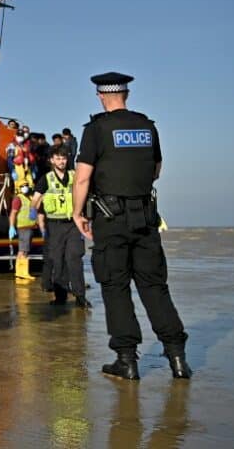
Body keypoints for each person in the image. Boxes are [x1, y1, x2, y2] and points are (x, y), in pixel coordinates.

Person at [72, 72, 190, 380]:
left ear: (101, 96)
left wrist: (77, 212)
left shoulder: (96, 129)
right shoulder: (147, 126)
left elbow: (83, 177)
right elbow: (156, 169)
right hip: (145, 216)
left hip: (110, 218)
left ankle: (127, 360)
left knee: (115, 286)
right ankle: (177, 358)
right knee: (154, 286)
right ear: (126, 94)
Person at [32, 146, 90, 307]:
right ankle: (60, 297)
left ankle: (80, 297)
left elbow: (85, 191)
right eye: (57, 158)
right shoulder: (46, 179)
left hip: (73, 224)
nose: (61, 161)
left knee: (74, 259)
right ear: (51, 160)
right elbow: (34, 200)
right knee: (58, 262)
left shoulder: (74, 176)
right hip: (54, 226)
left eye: (63, 158)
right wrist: (36, 208)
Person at [8, 182, 41, 282]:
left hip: (29, 227)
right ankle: (22, 272)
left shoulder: (29, 198)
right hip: (23, 228)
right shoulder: (18, 199)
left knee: (24, 249)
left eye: (26, 185)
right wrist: (11, 226)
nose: (25, 187)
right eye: (22, 186)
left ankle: (20, 272)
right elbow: (13, 213)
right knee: (23, 250)